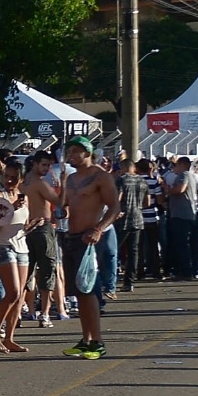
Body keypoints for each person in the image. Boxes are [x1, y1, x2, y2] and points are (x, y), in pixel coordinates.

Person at [58, 136, 120, 359]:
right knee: (79, 292)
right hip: (72, 237)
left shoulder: (101, 177)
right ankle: (86, 339)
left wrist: (99, 229)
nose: (71, 156)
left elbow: (114, 206)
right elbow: (63, 207)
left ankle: (98, 341)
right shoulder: (71, 178)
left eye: (75, 151)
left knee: (89, 290)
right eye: (69, 152)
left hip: (91, 238)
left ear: (87, 152)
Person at [0, 164, 31, 352]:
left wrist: (32, 225)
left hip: (22, 246)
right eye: (7, 176)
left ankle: (9, 338)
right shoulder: (0, 198)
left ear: (21, 179)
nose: (9, 181)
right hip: (2, 246)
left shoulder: (24, 198)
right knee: (12, 292)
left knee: (19, 296)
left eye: (13, 177)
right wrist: (8, 209)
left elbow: (23, 223)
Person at [22, 152, 62, 328]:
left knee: (25, 274)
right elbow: (59, 201)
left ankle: (22, 312)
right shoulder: (40, 183)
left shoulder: (22, 183)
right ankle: (44, 314)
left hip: (25, 230)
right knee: (46, 272)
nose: (47, 169)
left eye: (48, 165)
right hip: (42, 228)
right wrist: (64, 184)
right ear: (35, 164)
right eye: (44, 165)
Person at [116, 157, 150, 291]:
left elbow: (117, 198)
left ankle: (110, 281)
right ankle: (129, 282)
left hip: (123, 218)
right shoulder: (142, 180)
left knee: (115, 250)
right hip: (138, 218)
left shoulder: (121, 180)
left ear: (123, 168)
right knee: (133, 252)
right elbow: (147, 202)